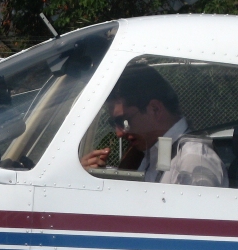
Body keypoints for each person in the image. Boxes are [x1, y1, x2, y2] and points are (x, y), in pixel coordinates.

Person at [82, 65, 228, 187]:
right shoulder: (154, 151)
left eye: (124, 121)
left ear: (155, 109)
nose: (119, 133)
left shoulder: (193, 161)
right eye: (114, 123)